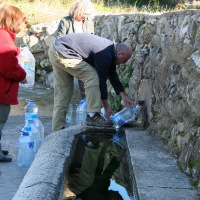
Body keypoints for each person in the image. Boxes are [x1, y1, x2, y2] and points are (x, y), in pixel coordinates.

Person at [48, 33, 133, 132]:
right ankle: (92, 116)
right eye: (125, 60)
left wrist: (123, 95)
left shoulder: (110, 50)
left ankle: (57, 131)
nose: (124, 62)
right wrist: (106, 107)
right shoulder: (105, 54)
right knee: (92, 76)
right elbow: (101, 82)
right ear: (120, 54)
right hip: (64, 52)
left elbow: (112, 74)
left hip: (56, 49)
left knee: (63, 94)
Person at [0, 5, 27, 162]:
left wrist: (16, 51)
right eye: (20, 21)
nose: (21, 26)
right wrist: (22, 76)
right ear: (12, 20)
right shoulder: (4, 38)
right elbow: (7, 65)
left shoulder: (3, 37)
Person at [64, 134, 125, 200]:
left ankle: (91, 145)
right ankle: (93, 144)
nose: (117, 191)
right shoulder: (104, 186)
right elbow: (106, 168)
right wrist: (106, 146)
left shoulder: (100, 197)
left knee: (88, 178)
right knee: (93, 172)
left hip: (78, 185)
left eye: (118, 196)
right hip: (81, 179)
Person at [56, 0, 94, 99]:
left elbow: (92, 38)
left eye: (88, 14)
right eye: (84, 13)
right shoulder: (65, 21)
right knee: (65, 89)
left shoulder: (89, 22)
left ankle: (85, 109)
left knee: (85, 88)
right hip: (67, 57)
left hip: (83, 58)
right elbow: (59, 40)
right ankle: (65, 110)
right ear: (77, 10)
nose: (86, 16)